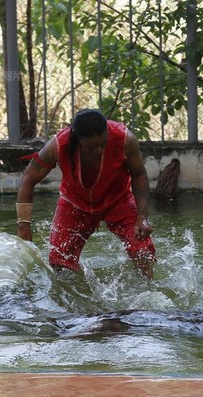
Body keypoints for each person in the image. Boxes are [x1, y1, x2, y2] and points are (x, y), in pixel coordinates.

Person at [15, 109, 155, 279]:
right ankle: (77, 295)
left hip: (118, 199)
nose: (97, 151)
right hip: (75, 202)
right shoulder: (58, 145)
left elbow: (139, 174)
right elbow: (28, 180)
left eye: (102, 145)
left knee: (142, 252)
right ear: (77, 138)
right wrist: (24, 227)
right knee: (59, 261)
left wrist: (142, 217)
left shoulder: (125, 139)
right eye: (91, 147)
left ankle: (149, 287)